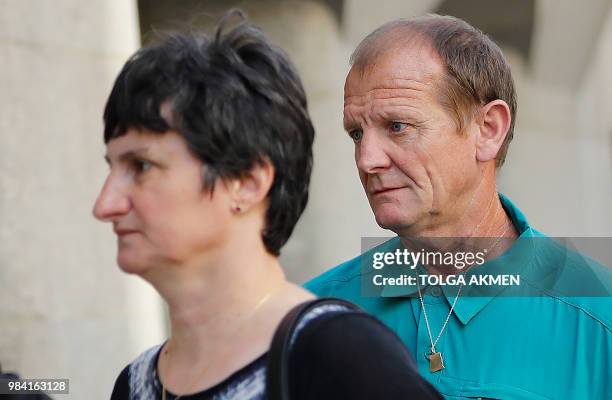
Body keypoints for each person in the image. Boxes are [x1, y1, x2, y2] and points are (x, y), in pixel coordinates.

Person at [94, 11, 441, 400]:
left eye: (141, 166)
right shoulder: (134, 384)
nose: (105, 204)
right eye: (113, 167)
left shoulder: (339, 356)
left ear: (246, 182)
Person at [305, 14, 612, 399]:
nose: (367, 160)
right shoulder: (313, 318)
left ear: (488, 130)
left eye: (397, 126)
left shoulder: (598, 320)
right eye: (356, 133)